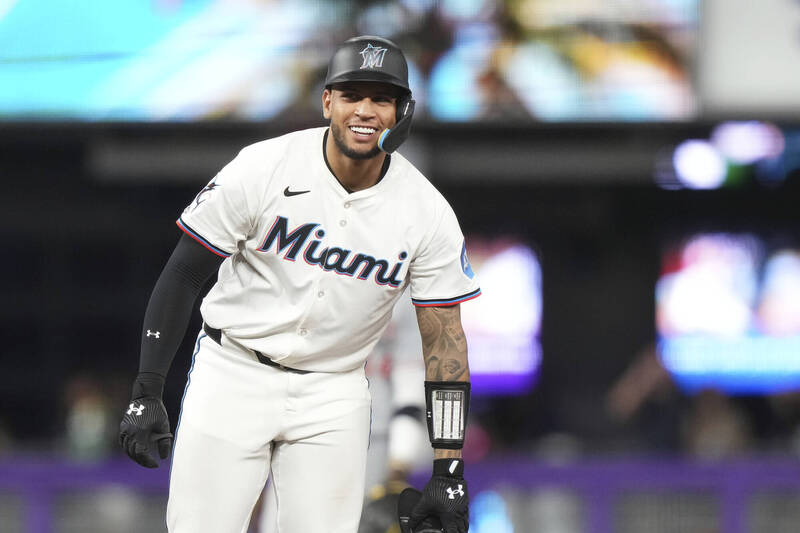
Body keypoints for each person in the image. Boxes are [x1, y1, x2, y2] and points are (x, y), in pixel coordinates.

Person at [118, 35, 480, 533]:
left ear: (402, 112)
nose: (365, 110)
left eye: (381, 98)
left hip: (334, 389)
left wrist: (449, 467)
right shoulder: (264, 166)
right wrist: (148, 387)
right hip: (234, 370)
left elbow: (445, 342)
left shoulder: (427, 211)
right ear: (327, 101)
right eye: (352, 95)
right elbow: (183, 274)